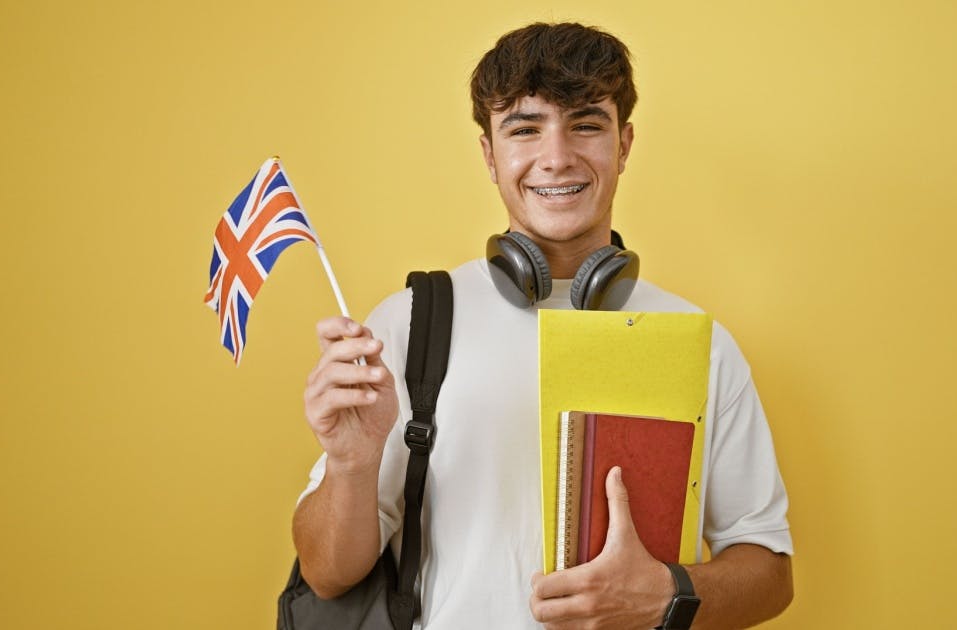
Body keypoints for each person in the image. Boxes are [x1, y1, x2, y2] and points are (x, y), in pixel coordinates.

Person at [293, 22, 793, 629]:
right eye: (524, 129)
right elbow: (327, 572)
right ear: (489, 155)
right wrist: (350, 464)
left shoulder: (698, 341)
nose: (556, 157)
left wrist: (665, 596)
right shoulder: (411, 322)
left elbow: (769, 572)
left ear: (625, 145)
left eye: (586, 124)